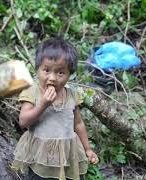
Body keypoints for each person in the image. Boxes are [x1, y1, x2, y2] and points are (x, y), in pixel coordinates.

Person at [12, 37, 99, 180]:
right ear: (37, 69)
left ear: (69, 74)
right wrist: (43, 104)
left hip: (68, 154)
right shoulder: (32, 91)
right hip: (41, 156)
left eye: (60, 73)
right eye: (46, 70)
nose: (52, 78)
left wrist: (87, 149)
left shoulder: (71, 95)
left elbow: (78, 124)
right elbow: (23, 121)